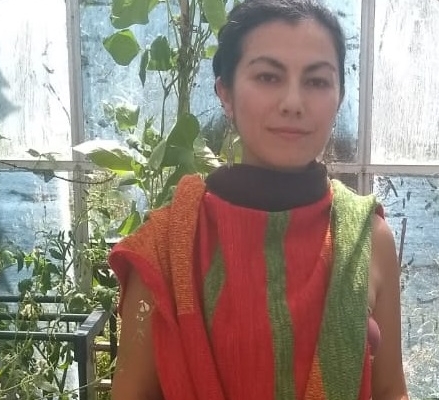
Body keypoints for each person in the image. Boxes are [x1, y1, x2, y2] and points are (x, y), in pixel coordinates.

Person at [109, 0, 409, 399]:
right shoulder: (168, 246)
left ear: (338, 97)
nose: (293, 103)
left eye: (317, 81)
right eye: (268, 77)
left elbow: (391, 390)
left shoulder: (368, 238)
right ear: (226, 93)